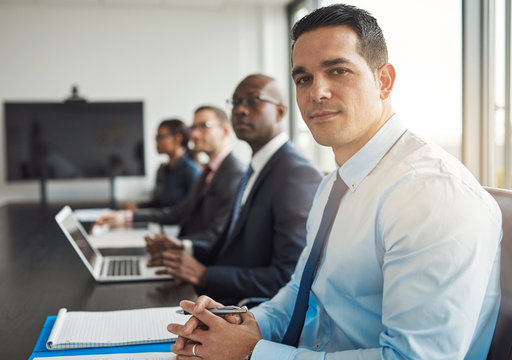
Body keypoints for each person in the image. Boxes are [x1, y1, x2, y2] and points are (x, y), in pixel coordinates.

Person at [168, 4, 502, 360]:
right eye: (303, 78)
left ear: (384, 80)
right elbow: (301, 292)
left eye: (338, 70)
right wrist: (245, 323)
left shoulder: (430, 195)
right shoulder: (335, 184)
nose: (317, 92)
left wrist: (254, 354)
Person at [147, 74, 322, 305]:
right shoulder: (255, 168)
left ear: (280, 112)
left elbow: (288, 277)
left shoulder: (296, 173)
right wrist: (184, 249)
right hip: (220, 299)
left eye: (252, 101)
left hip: (251, 314)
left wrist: (204, 274)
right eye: (236, 102)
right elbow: (236, 246)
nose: (240, 110)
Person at [98, 106, 245, 250]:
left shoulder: (234, 173)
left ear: (225, 131)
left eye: (203, 126)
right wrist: (128, 217)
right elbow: (179, 212)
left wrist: (174, 244)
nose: (194, 135)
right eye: (193, 127)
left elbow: (217, 234)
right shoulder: (208, 171)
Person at [123, 118, 201, 211]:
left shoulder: (190, 170)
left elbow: (189, 210)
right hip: (162, 222)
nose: (156, 142)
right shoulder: (163, 170)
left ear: (177, 138)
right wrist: (137, 207)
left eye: (160, 137)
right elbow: (159, 204)